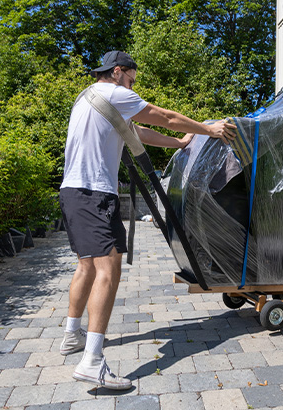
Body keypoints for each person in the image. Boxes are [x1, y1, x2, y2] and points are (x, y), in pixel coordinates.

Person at [58, 50, 236, 390]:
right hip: (95, 194)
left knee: (86, 266)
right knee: (109, 270)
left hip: (72, 192)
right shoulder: (116, 92)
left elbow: (137, 133)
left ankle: (71, 335)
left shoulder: (87, 98)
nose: (133, 85)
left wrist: (180, 143)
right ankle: (92, 362)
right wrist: (208, 129)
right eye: (132, 79)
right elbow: (163, 116)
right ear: (119, 71)